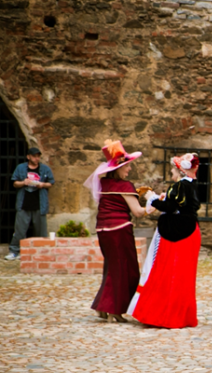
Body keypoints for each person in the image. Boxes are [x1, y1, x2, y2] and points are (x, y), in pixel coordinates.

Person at [127, 153, 202, 329]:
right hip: (189, 230)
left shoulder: (181, 185)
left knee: (168, 271)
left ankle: (165, 315)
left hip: (178, 232)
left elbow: (171, 207)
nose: (171, 174)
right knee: (182, 275)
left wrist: (150, 198)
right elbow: (178, 204)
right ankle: (180, 315)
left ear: (180, 171)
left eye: (173, 171)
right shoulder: (189, 185)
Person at [83, 140, 148, 323]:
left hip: (103, 229)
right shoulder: (126, 186)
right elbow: (137, 212)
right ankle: (114, 310)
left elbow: (114, 203)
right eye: (126, 166)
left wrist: (136, 194)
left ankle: (103, 308)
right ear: (117, 168)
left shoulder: (104, 184)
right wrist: (154, 205)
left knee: (111, 268)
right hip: (119, 230)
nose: (129, 170)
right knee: (126, 270)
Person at [5, 147, 55, 260]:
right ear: (28, 157)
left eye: (38, 156)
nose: (36, 158)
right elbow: (15, 183)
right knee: (20, 230)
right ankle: (14, 251)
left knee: (40, 231)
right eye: (34, 156)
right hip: (24, 203)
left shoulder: (45, 169)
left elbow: (51, 183)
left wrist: (42, 185)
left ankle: (41, 253)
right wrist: (24, 182)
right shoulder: (21, 168)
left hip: (39, 204)